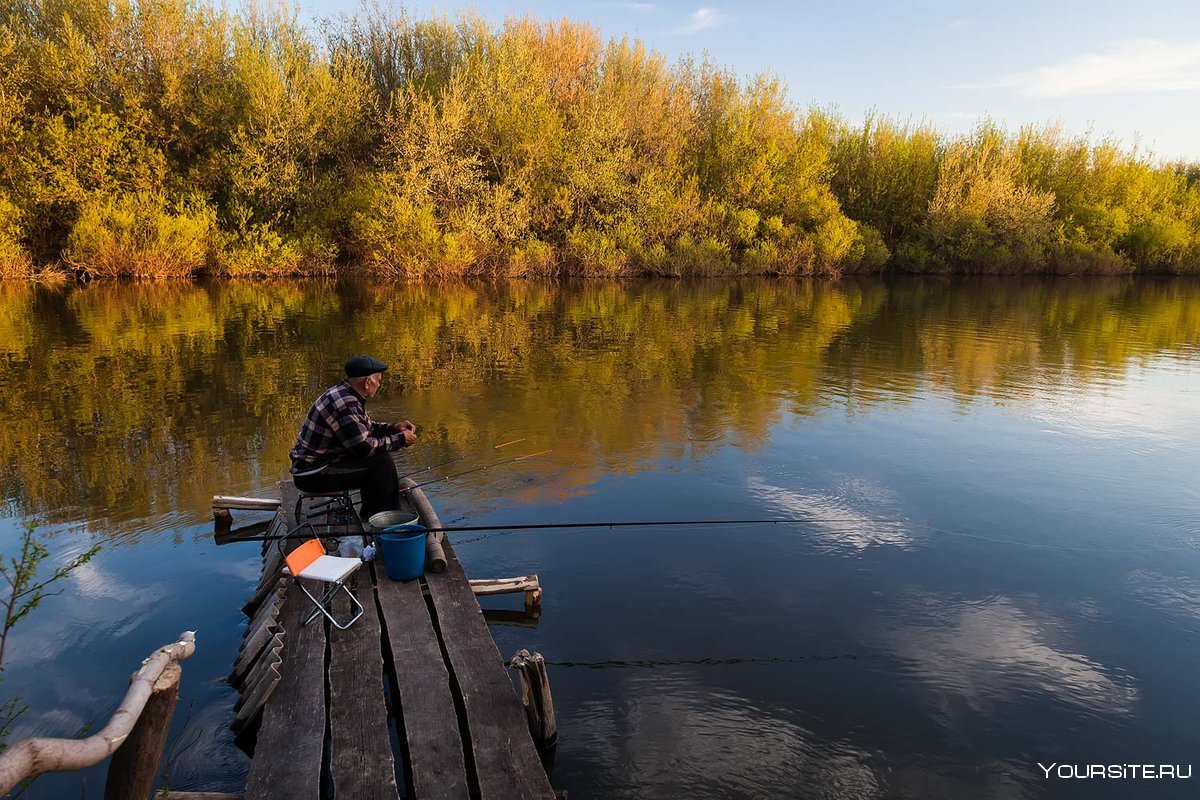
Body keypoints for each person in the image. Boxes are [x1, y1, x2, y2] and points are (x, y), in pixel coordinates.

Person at [289, 355, 417, 521]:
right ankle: (379, 521)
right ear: (367, 383)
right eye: (378, 381)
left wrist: (392, 429)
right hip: (313, 475)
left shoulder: (344, 393)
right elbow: (364, 447)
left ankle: (377, 514)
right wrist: (400, 440)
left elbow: (365, 429)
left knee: (379, 460)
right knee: (382, 463)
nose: (379, 385)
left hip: (317, 465)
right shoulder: (346, 404)